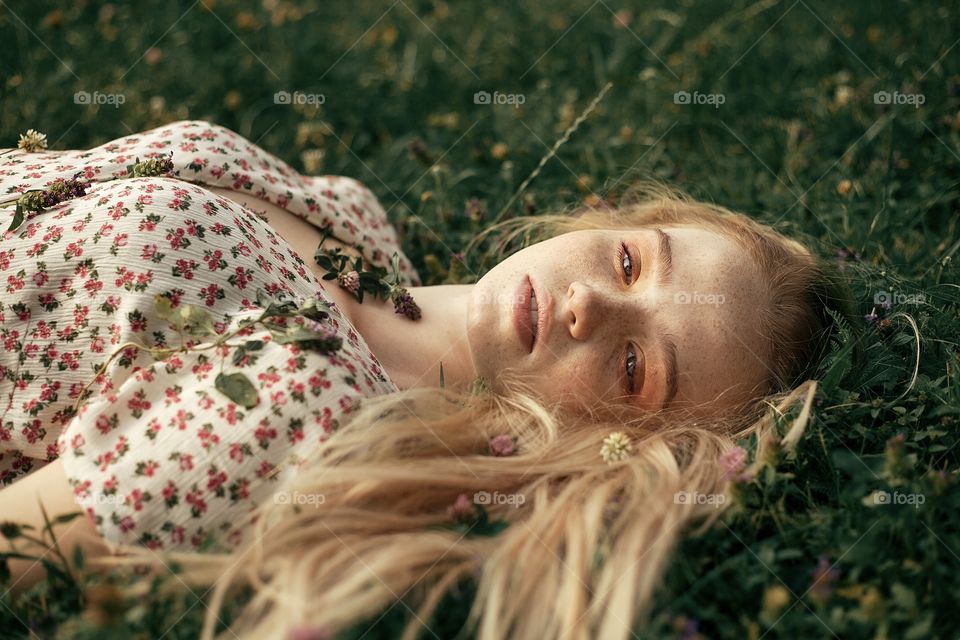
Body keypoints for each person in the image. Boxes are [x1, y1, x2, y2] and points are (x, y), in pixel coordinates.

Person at [0, 120, 852, 639]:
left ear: (614, 449)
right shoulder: (350, 218)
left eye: (635, 368)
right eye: (631, 261)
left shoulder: (304, 419)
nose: (590, 300)